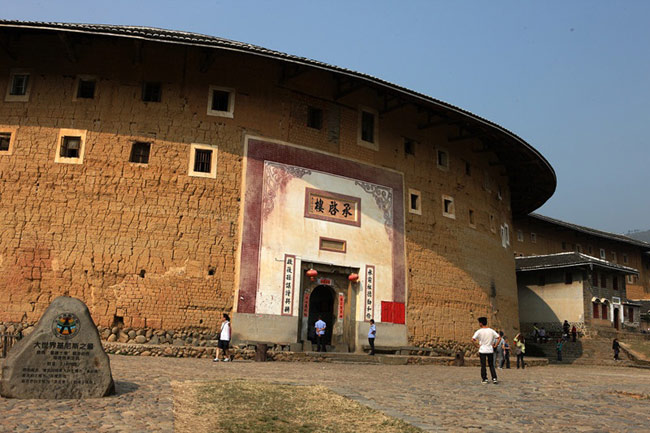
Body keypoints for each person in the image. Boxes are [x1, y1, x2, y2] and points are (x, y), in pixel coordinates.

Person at [471, 317, 501, 384]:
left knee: (483, 365)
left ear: (481, 323)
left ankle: (484, 379)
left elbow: (472, 340)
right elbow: (499, 338)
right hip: (490, 350)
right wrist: (495, 345)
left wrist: (477, 346)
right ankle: (494, 378)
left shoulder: (479, 331)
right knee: (491, 365)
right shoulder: (491, 331)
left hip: (482, 350)